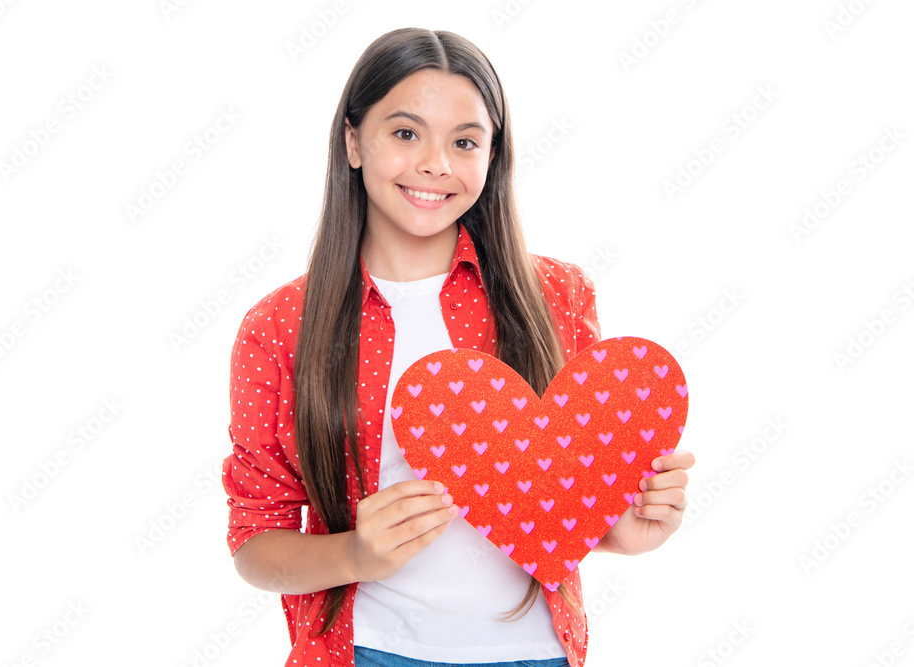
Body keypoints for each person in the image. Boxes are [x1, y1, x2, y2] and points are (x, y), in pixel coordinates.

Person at [220, 27, 695, 667]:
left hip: (539, 654)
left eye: (465, 141)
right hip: (368, 652)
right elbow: (255, 544)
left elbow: (553, 506)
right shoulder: (281, 325)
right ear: (354, 141)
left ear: (493, 156)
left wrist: (623, 530)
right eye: (406, 133)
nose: (436, 164)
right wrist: (354, 554)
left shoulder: (557, 297)